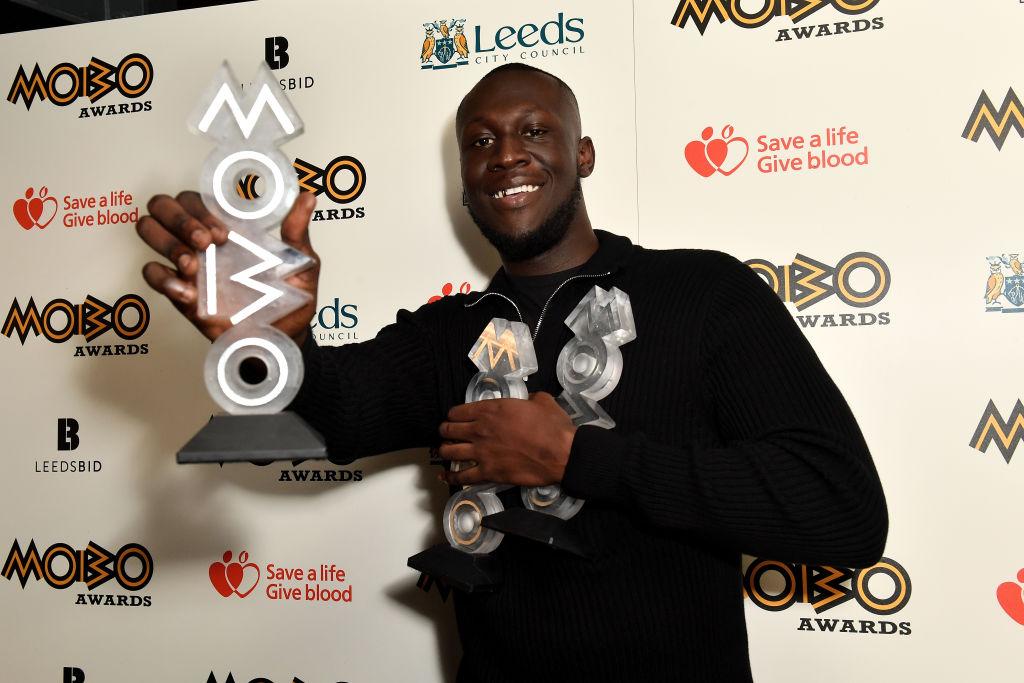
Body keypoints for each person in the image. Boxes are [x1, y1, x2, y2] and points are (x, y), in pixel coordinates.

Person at [137, 63, 887, 682]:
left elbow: (842, 507)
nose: (505, 154)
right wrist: (272, 343)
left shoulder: (704, 294)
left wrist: (578, 458)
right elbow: (340, 409)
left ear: (582, 154)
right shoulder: (447, 332)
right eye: (480, 141)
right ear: (463, 180)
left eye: (534, 131)